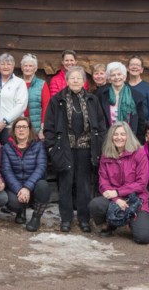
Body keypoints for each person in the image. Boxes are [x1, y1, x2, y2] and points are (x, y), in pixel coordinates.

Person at [43, 66, 106, 232]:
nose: (76, 81)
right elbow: (48, 126)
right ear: (67, 80)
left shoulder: (92, 100)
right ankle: (66, 219)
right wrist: (51, 148)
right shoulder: (57, 100)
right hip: (65, 148)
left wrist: (99, 145)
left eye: (79, 78)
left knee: (84, 185)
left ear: (84, 81)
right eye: (72, 78)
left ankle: (84, 219)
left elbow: (100, 125)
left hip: (86, 149)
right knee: (65, 184)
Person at [89, 121, 149, 244]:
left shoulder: (139, 153)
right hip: (115, 199)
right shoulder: (106, 156)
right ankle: (109, 224)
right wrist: (117, 199)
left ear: (128, 136)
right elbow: (103, 184)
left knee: (143, 238)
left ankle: (131, 221)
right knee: (95, 204)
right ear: (111, 137)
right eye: (116, 134)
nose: (119, 137)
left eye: (123, 134)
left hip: (137, 199)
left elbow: (142, 183)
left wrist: (118, 191)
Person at [1, 117, 50, 231]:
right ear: (14, 130)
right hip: (16, 188)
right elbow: (7, 171)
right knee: (12, 202)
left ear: (29, 130)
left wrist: (27, 188)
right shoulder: (7, 147)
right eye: (18, 127)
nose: (21, 130)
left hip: (33, 187)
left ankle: (36, 217)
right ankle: (20, 212)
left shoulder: (38, 146)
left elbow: (41, 167)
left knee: (43, 186)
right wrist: (19, 189)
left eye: (24, 127)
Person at [41, 50, 82, 123]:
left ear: (76, 61)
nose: (69, 63)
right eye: (66, 60)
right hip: (61, 117)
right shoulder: (55, 80)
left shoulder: (82, 79)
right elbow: (55, 101)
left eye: (71, 60)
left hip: (79, 116)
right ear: (62, 62)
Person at [101, 61, 138, 137]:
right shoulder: (102, 95)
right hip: (109, 136)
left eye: (119, 74)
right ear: (109, 79)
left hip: (129, 136)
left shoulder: (135, 95)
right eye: (113, 75)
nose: (116, 77)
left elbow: (140, 121)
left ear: (124, 77)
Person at [127, 56, 149, 139]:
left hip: (143, 129)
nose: (134, 67)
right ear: (128, 68)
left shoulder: (148, 87)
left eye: (137, 65)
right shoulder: (124, 86)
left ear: (141, 70)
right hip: (126, 128)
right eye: (132, 64)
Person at [20, 54, 46, 136]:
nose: (27, 68)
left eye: (30, 66)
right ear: (22, 68)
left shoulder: (42, 84)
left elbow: (46, 107)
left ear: (35, 68)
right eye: (25, 66)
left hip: (36, 127)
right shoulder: (16, 83)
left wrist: (42, 128)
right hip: (19, 126)